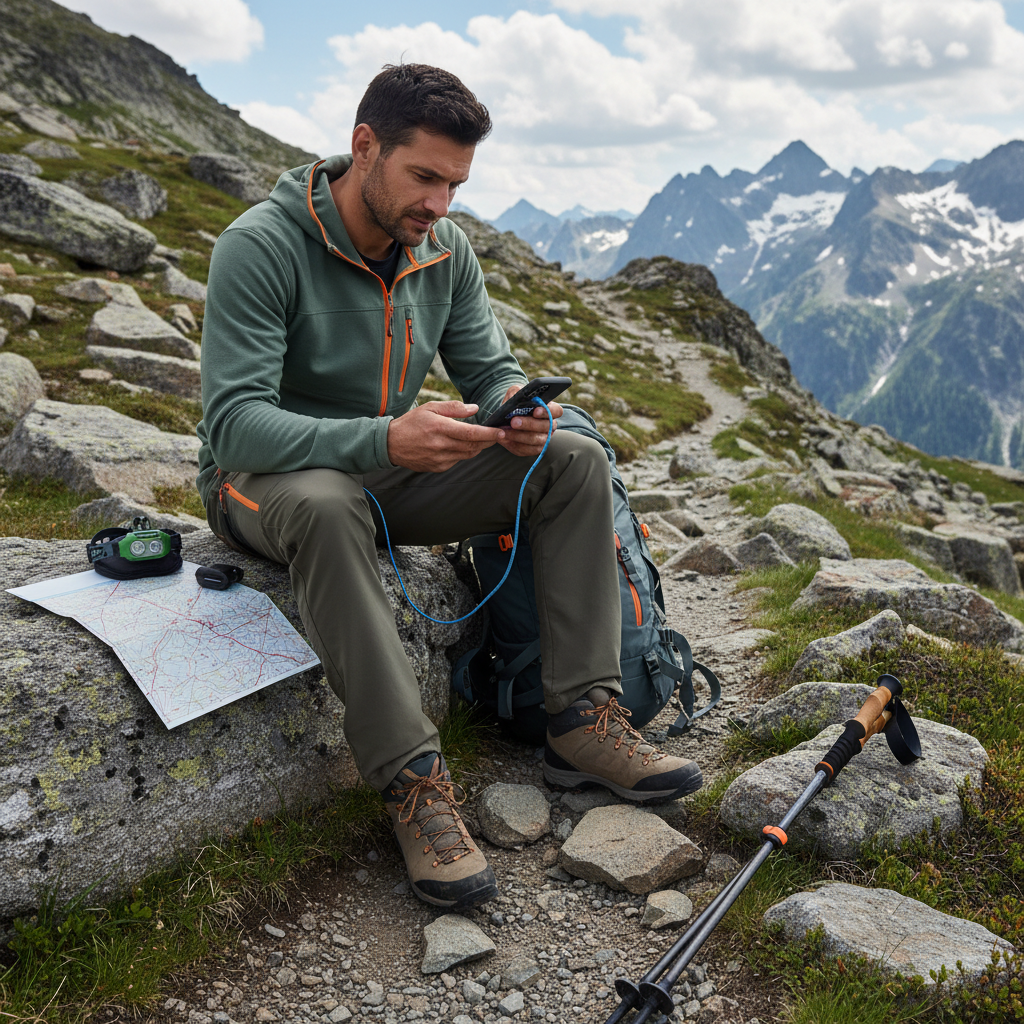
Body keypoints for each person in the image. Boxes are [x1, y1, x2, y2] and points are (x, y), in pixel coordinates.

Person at [195, 63, 703, 911]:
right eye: (424, 176)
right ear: (365, 147)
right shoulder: (262, 243)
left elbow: (489, 365)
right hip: (263, 480)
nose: (440, 204)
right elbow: (234, 425)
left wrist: (512, 409)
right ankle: (414, 783)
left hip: (387, 469)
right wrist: (385, 436)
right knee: (327, 502)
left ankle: (580, 719)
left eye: (456, 184)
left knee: (572, 457)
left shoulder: (444, 249)